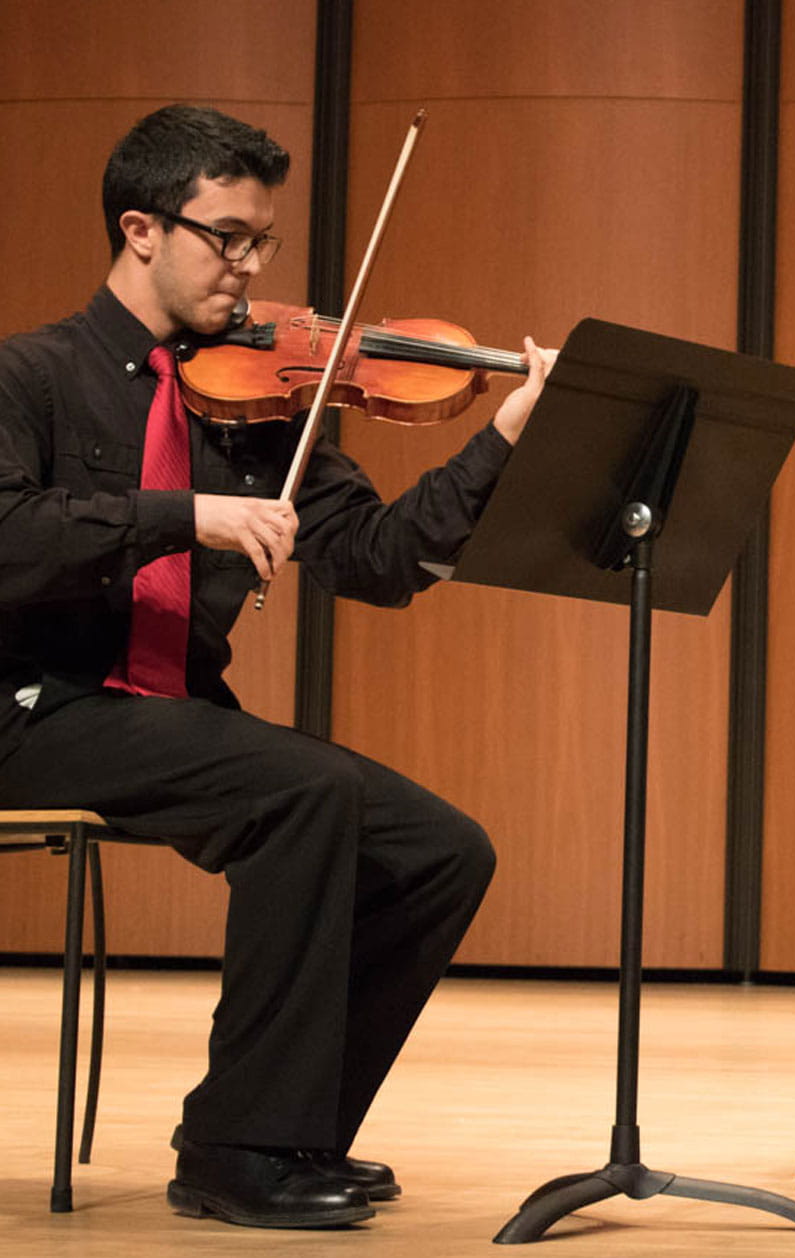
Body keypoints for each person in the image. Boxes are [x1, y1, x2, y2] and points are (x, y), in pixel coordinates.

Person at [0, 105, 557, 1229]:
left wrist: (500, 437)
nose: (251, 270)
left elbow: (380, 561)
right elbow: (11, 537)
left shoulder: (257, 400)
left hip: (170, 719)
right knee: (303, 788)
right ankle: (235, 1147)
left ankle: (296, 1127)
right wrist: (180, 514)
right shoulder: (31, 375)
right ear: (141, 228)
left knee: (440, 849)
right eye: (228, 239)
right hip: (34, 706)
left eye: (263, 243)